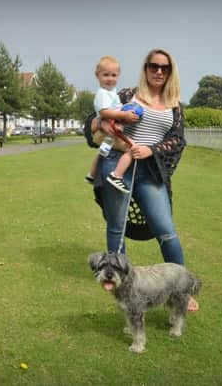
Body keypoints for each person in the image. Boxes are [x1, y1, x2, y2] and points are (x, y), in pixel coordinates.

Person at [94, 48, 198, 312]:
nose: (159, 71)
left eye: (165, 67)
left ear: (171, 71)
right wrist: (99, 125)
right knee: (116, 228)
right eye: (153, 66)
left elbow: (177, 140)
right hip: (118, 164)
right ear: (146, 68)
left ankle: (182, 289)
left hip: (149, 172)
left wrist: (151, 150)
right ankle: (122, 285)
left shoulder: (175, 105)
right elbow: (98, 116)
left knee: (166, 231)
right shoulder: (127, 95)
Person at [85, 56, 140, 191]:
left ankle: (91, 174)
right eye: (106, 75)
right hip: (104, 132)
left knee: (102, 152)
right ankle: (116, 175)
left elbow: (116, 107)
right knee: (131, 148)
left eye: (114, 75)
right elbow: (104, 112)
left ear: (118, 76)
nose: (110, 78)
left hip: (107, 133)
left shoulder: (112, 92)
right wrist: (124, 115)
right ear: (97, 75)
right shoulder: (103, 93)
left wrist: (125, 108)